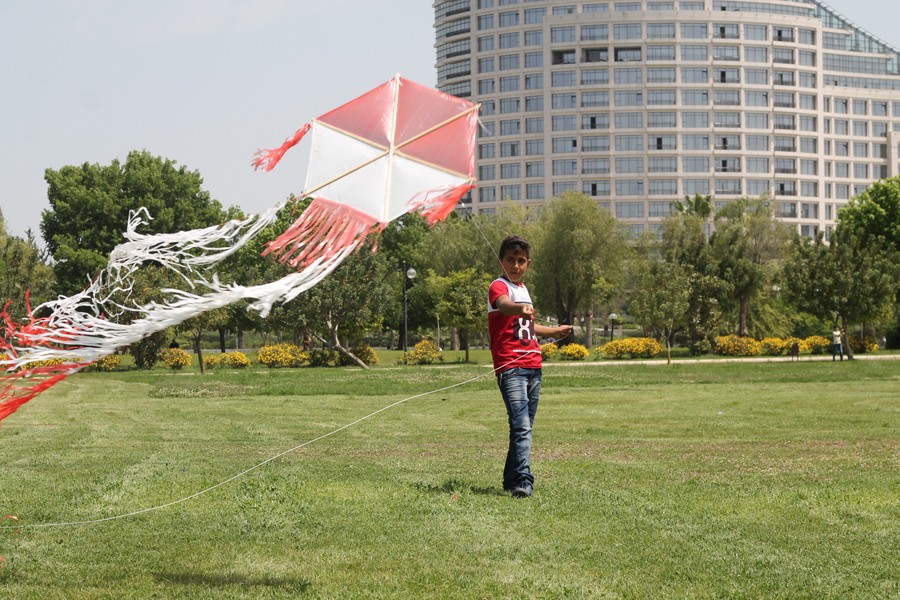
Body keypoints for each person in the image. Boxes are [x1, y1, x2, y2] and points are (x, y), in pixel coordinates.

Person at [488, 235, 573, 498]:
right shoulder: (498, 286)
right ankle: (523, 481)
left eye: (521, 261)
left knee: (523, 426)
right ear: (500, 261)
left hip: (533, 366)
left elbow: (527, 326)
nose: (515, 265)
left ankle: (511, 478)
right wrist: (518, 308)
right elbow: (504, 308)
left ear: (528, 263)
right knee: (521, 426)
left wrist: (553, 331)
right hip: (510, 367)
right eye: (510, 260)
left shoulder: (524, 291)